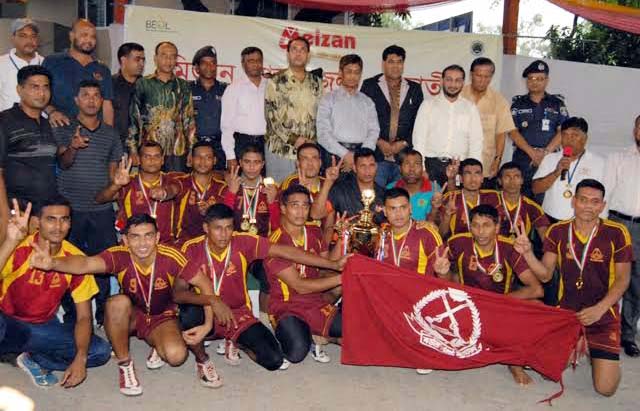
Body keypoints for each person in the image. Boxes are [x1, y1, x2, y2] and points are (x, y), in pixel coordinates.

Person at [29, 213, 220, 395]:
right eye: (135, 237)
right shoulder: (118, 255)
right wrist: (53, 263)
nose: (142, 243)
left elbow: (205, 285)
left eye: (148, 236)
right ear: (126, 240)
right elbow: (85, 264)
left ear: (158, 237)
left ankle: (157, 341)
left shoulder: (172, 256)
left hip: (162, 316)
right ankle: (125, 364)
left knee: (176, 357)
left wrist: (208, 325)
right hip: (131, 316)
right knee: (117, 303)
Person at [176, 204, 347, 372]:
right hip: (206, 311)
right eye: (218, 228)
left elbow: (286, 252)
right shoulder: (191, 249)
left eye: (228, 228)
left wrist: (332, 263)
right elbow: (178, 293)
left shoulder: (243, 242)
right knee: (188, 312)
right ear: (206, 228)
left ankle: (236, 341)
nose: (224, 234)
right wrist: (212, 300)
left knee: (274, 360)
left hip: (238, 313)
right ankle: (203, 361)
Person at [0, 198, 110, 388]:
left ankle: (29, 357)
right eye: (51, 219)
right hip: (5, 320)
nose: (58, 226)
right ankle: (15, 351)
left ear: (70, 223)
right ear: (37, 222)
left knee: (99, 351)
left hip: (40, 328)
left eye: (64, 219)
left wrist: (80, 359)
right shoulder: (20, 246)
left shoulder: (75, 260)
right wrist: (10, 241)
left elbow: (84, 317)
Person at [537, 179, 632, 396]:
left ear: (602, 205)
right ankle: (578, 341)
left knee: (606, 389)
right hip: (567, 313)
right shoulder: (557, 231)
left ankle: (598, 350)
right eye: (583, 200)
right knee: (547, 371)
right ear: (574, 202)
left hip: (603, 313)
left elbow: (623, 279)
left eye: (594, 201)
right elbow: (544, 275)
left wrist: (600, 309)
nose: (588, 206)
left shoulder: (617, 233)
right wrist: (525, 254)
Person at [444, 204, 544, 385]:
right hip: (467, 306)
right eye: (475, 225)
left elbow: (536, 288)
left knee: (538, 306)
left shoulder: (509, 248)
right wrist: (442, 271)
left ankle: (514, 362)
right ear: (470, 226)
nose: (480, 231)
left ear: (497, 228)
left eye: (487, 225)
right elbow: (445, 280)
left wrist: (501, 301)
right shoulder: (457, 242)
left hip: (501, 307)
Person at [53, 79, 123, 325]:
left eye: (96, 95)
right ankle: (73, 314)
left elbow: (113, 173)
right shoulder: (63, 127)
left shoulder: (111, 134)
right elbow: (63, 163)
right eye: (86, 95)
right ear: (76, 100)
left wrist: (113, 193)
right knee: (69, 262)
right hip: (70, 210)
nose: (91, 100)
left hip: (101, 210)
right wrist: (72, 146)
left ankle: (104, 314)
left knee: (104, 264)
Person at [264, 185, 343, 365]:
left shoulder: (314, 232)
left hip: (316, 302)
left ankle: (318, 334)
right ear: (283, 208)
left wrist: (342, 237)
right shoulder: (274, 244)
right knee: (296, 353)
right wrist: (341, 278)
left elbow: (325, 268)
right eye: (295, 205)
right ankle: (290, 330)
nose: (301, 211)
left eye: (305, 206)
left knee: (354, 329)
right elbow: (299, 286)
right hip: (287, 306)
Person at [0, 66, 58, 243]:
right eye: (35, 87)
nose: (41, 93)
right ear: (20, 90)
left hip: (43, 214)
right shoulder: (5, 121)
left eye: (46, 87)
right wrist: (4, 216)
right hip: (15, 213)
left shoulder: (49, 125)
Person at [360, 45, 424, 188]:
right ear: (383, 64)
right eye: (391, 62)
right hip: (377, 155)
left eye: (399, 62)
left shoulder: (414, 88)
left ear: (403, 64)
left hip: (403, 158)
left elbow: (419, 122)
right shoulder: (369, 85)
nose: (395, 66)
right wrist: (378, 141)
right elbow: (362, 118)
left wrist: (403, 143)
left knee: (399, 198)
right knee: (374, 197)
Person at [603, 115, 640, 357]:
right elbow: (604, 194)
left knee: (636, 283)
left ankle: (628, 335)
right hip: (618, 223)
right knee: (608, 277)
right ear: (635, 130)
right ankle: (604, 329)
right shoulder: (618, 158)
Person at [128, 41, 195, 172]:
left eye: (172, 56)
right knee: (149, 187)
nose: (168, 60)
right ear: (155, 58)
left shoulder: (183, 86)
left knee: (176, 186)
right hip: (149, 148)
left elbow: (189, 119)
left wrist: (192, 149)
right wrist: (133, 149)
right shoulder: (143, 83)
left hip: (177, 150)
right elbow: (134, 118)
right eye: (164, 55)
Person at [96, 141, 181, 243]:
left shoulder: (172, 179)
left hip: (166, 244)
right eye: (147, 156)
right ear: (139, 159)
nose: (152, 160)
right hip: (134, 245)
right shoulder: (128, 182)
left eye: (156, 156)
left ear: (162, 160)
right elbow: (99, 199)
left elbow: (175, 189)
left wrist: (165, 193)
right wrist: (116, 184)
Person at [412, 64, 483, 186]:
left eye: (457, 80)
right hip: (431, 166)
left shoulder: (470, 108)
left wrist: (472, 172)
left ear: (463, 83)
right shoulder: (428, 105)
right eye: (449, 80)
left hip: (459, 167)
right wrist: (421, 169)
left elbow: (476, 141)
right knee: (431, 204)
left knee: (455, 204)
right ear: (441, 81)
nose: (453, 85)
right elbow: (419, 140)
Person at [264, 37, 322, 182]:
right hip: (280, 149)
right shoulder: (275, 81)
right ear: (288, 54)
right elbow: (271, 118)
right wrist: (294, 139)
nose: (298, 53)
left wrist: (311, 142)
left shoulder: (317, 82)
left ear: (308, 55)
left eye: (303, 50)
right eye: (294, 49)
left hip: (308, 152)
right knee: (279, 194)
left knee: (305, 196)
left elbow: (321, 115)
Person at [510, 60, 569, 197]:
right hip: (523, 159)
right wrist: (532, 153)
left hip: (549, 159)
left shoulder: (557, 103)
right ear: (527, 81)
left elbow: (563, 131)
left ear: (547, 80)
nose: (535, 82)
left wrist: (545, 153)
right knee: (520, 197)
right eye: (531, 78)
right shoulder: (518, 103)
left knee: (547, 198)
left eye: (540, 79)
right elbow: (512, 131)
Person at [532, 117, 606, 222]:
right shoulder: (550, 159)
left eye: (574, 135)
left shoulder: (599, 163)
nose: (569, 140)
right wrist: (556, 173)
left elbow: (603, 197)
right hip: (550, 219)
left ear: (585, 138)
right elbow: (536, 189)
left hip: (582, 223)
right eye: (565, 135)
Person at [42, 19, 113, 127]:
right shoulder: (52, 62)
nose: (89, 40)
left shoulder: (103, 69)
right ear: (71, 36)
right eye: (84, 35)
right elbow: (41, 95)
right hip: (58, 131)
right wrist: (52, 112)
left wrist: (109, 137)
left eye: (93, 37)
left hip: (92, 136)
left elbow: (107, 106)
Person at [317, 54, 379, 172]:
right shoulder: (328, 99)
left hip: (362, 159)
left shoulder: (367, 102)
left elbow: (374, 131)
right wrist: (345, 155)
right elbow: (323, 133)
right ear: (340, 73)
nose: (352, 76)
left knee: (362, 191)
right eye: (349, 71)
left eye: (356, 72)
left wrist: (359, 157)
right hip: (334, 157)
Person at [460, 57, 516, 182]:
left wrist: (497, 161)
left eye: (487, 77)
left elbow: (501, 134)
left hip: (485, 167)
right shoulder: (459, 96)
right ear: (471, 74)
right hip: (459, 165)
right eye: (479, 76)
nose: (482, 80)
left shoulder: (499, 100)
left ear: (492, 77)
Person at [174, 141, 234, 243]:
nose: (203, 161)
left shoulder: (222, 188)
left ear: (214, 160)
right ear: (191, 159)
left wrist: (211, 212)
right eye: (198, 157)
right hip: (184, 244)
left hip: (214, 245)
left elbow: (228, 219)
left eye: (208, 157)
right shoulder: (180, 182)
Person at [378, 188, 443, 276]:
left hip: (419, 289)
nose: (398, 214)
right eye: (393, 209)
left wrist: (443, 273)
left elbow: (445, 279)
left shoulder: (427, 235)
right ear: (385, 211)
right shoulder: (381, 235)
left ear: (410, 208)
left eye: (403, 207)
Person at [221, 46, 267, 168]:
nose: (255, 64)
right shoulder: (233, 88)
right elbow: (227, 126)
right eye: (251, 61)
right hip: (242, 143)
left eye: (258, 60)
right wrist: (230, 156)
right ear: (243, 64)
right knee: (241, 184)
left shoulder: (270, 86)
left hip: (266, 144)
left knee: (264, 182)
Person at [312, 147, 385, 222]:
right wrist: (328, 181)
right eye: (362, 166)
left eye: (371, 165)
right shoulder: (341, 191)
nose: (367, 170)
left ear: (376, 166)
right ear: (354, 168)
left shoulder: (383, 194)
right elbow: (316, 214)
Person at [224, 144, 279, 237]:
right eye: (247, 162)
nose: (252, 167)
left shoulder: (272, 188)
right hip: (235, 243)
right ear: (240, 163)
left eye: (256, 162)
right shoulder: (230, 186)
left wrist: (272, 203)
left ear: (262, 164)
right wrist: (231, 194)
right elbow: (222, 221)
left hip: (263, 244)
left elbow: (277, 227)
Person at [439, 158, 501, 238]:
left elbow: (498, 230)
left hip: (485, 246)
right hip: (458, 247)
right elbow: (441, 234)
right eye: (468, 173)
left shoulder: (493, 197)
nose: (473, 179)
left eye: (477, 173)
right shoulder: (449, 198)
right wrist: (447, 215)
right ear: (461, 179)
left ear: (482, 178)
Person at [191, 46, 227, 170]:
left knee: (219, 183)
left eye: (213, 63)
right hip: (194, 146)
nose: (209, 67)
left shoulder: (226, 89)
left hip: (219, 146)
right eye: (204, 63)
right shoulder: (186, 89)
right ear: (196, 68)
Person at [386, 148, 442, 222]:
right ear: (400, 168)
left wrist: (435, 208)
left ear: (422, 168)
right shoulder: (391, 188)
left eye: (417, 164)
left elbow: (436, 225)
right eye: (407, 164)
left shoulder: (434, 189)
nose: (412, 169)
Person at [496, 162, 549, 239]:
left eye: (516, 177)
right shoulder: (490, 199)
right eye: (507, 177)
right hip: (494, 248)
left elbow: (546, 238)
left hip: (521, 248)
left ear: (522, 180)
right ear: (500, 181)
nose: (512, 181)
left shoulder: (532, 207)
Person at [0, 18, 44, 111]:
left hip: (41, 123)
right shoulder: (1, 63)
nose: (29, 40)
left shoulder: (46, 63)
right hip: (8, 123)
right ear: (13, 38)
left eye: (33, 36)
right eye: (23, 36)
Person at [280, 142, 326, 227]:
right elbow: (282, 218)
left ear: (320, 162)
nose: (310, 163)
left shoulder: (327, 184)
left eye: (314, 158)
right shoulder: (290, 183)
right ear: (298, 163)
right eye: (305, 158)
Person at [112, 42, 145, 150]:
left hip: (144, 149)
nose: (141, 64)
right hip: (116, 146)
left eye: (143, 60)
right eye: (137, 59)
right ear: (123, 60)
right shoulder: (109, 84)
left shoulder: (148, 86)